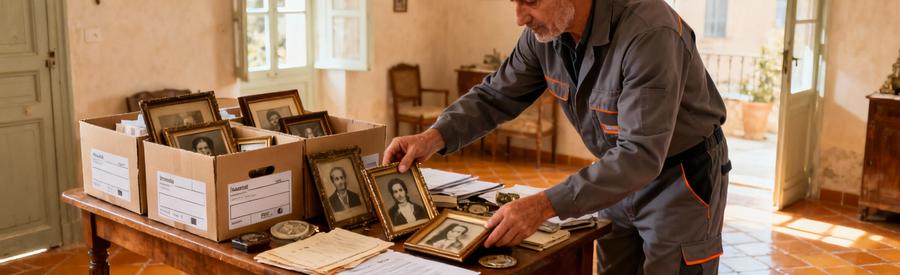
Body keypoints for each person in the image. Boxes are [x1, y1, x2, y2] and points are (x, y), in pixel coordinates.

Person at [382, 0, 730, 274]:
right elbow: (495, 96)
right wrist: (432, 137)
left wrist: (543, 205)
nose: (519, 17)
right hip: (612, 174)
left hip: (680, 178)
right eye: (513, 1)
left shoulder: (650, 31)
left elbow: (640, 154)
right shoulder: (544, 36)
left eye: (530, 1)